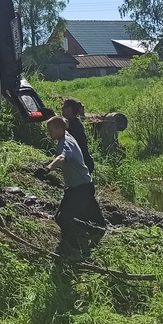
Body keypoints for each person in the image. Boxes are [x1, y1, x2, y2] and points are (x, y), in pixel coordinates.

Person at [46, 115, 106, 257]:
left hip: (81, 188)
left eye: (51, 131)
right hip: (76, 186)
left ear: (60, 129)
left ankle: (75, 249)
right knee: (59, 217)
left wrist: (47, 169)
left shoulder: (66, 143)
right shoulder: (65, 136)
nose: (49, 134)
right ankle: (93, 231)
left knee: (64, 218)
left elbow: (62, 158)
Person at [61, 97, 95, 174]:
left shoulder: (71, 124)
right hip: (84, 162)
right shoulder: (77, 122)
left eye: (64, 106)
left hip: (81, 163)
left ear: (69, 109)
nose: (61, 108)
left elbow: (60, 123)